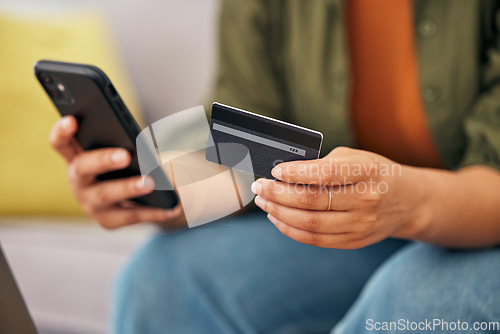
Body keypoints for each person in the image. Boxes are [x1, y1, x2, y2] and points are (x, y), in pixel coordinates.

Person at [49, 0, 500, 333]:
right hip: (357, 235)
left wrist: (406, 203)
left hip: (480, 225)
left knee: (415, 300)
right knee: (164, 278)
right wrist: (151, 185)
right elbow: (246, 138)